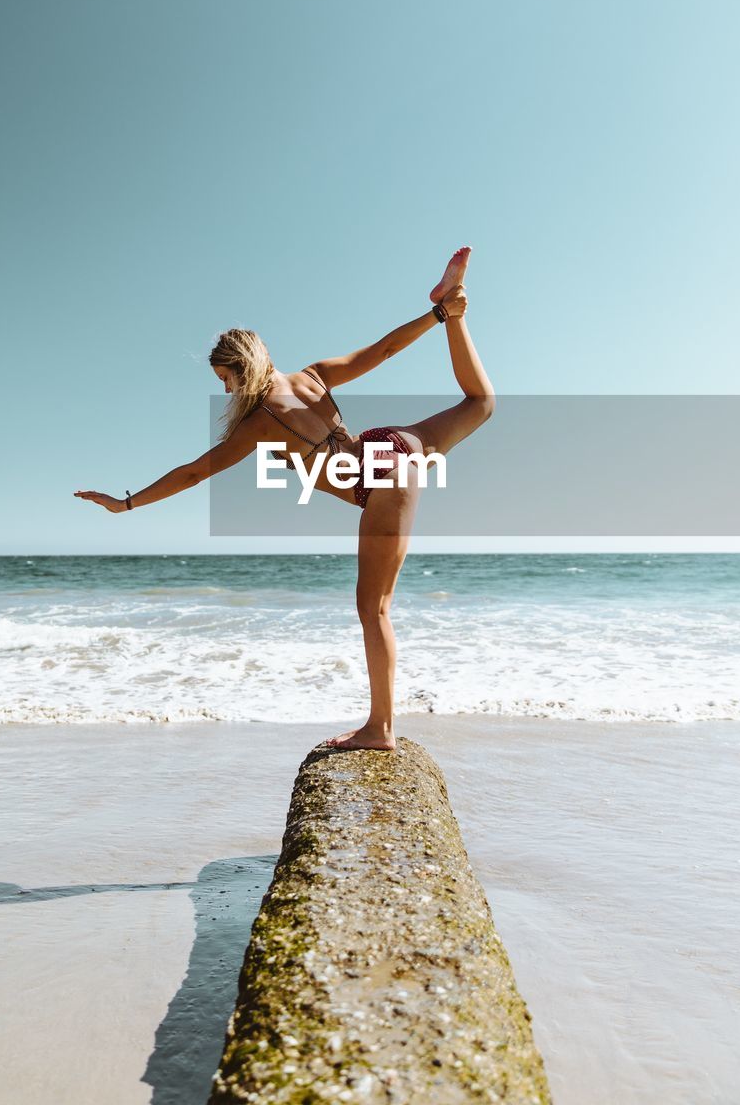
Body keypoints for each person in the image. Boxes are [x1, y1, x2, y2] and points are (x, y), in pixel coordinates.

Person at [75, 246, 495, 751]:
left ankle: (379, 729)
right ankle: (453, 312)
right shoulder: (312, 375)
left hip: (378, 482)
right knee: (481, 403)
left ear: (239, 370)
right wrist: (434, 317)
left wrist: (126, 504)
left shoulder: (259, 425)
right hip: (390, 444)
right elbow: (383, 351)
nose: (226, 390)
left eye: (224, 380)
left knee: (374, 609)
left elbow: (192, 474)